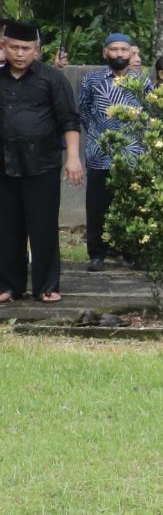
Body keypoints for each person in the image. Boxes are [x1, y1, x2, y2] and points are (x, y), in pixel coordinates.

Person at [0, 19, 82, 303]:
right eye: (13, 47)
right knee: (7, 227)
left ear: (37, 50)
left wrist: (73, 158)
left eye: (26, 48)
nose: (19, 54)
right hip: (4, 164)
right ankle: (9, 286)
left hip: (42, 162)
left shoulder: (52, 78)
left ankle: (46, 285)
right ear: (3, 47)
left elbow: (69, 120)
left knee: (43, 226)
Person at [77, 32, 147, 266]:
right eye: (114, 49)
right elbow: (84, 113)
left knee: (132, 204)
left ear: (131, 53)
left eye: (123, 49)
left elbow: (149, 114)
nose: (119, 54)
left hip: (133, 154)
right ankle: (97, 254)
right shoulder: (92, 80)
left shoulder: (142, 81)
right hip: (99, 153)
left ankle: (132, 252)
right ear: (105, 52)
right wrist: (101, 134)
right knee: (98, 206)